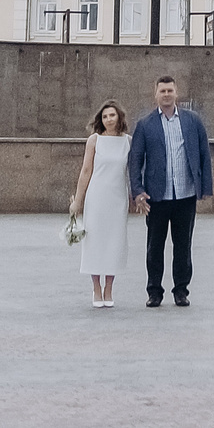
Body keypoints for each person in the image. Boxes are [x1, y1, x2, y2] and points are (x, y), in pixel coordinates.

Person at [125, 73, 213, 307]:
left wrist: (205, 187)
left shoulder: (192, 121)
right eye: (162, 91)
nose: (166, 95)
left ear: (176, 93)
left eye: (170, 90)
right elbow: (135, 161)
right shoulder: (145, 125)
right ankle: (154, 291)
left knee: (183, 245)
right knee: (155, 246)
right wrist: (138, 191)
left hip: (185, 194)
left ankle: (181, 290)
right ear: (155, 94)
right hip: (157, 196)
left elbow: (204, 154)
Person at [71, 101, 134, 308]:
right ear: (101, 119)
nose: (109, 119)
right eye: (105, 116)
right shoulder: (94, 140)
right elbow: (86, 171)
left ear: (119, 118)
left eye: (112, 115)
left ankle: (109, 288)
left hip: (117, 198)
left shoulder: (127, 142)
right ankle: (96, 287)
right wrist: (78, 200)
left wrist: (137, 197)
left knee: (114, 242)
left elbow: (132, 172)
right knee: (95, 241)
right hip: (97, 197)